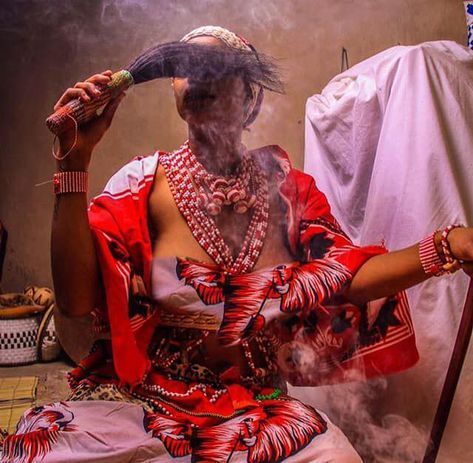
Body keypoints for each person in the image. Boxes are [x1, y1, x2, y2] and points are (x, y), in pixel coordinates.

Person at [2, 26, 473, 463]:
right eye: (184, 66)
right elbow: (74, 301)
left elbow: (347, 277)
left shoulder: (288, 191)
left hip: (258, 412)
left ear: (251, 97)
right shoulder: (139, 185)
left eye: (215, 65)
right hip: (147, 406)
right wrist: (74, 162)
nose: (196, 75)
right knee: (43, 449)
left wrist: (449, 246)